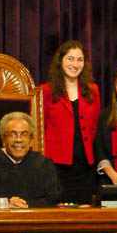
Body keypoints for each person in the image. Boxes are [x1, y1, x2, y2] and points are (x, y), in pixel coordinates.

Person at [41, 40, 100, 205]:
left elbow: (94, 127)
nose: (75, 64)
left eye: (79, 59)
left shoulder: (92, 90)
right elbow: (40, 128)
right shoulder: (46, 91)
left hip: (85, 166)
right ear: (61, 61)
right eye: (70, 58)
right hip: (56, 166)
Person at [0, 112, 61, 208]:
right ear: (3, 139)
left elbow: (53, 198)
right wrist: (5, 205)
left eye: (24, 134)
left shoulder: (44, 164)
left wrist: (26, 205)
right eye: (12, 134)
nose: (19, 139)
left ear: (31, 140)